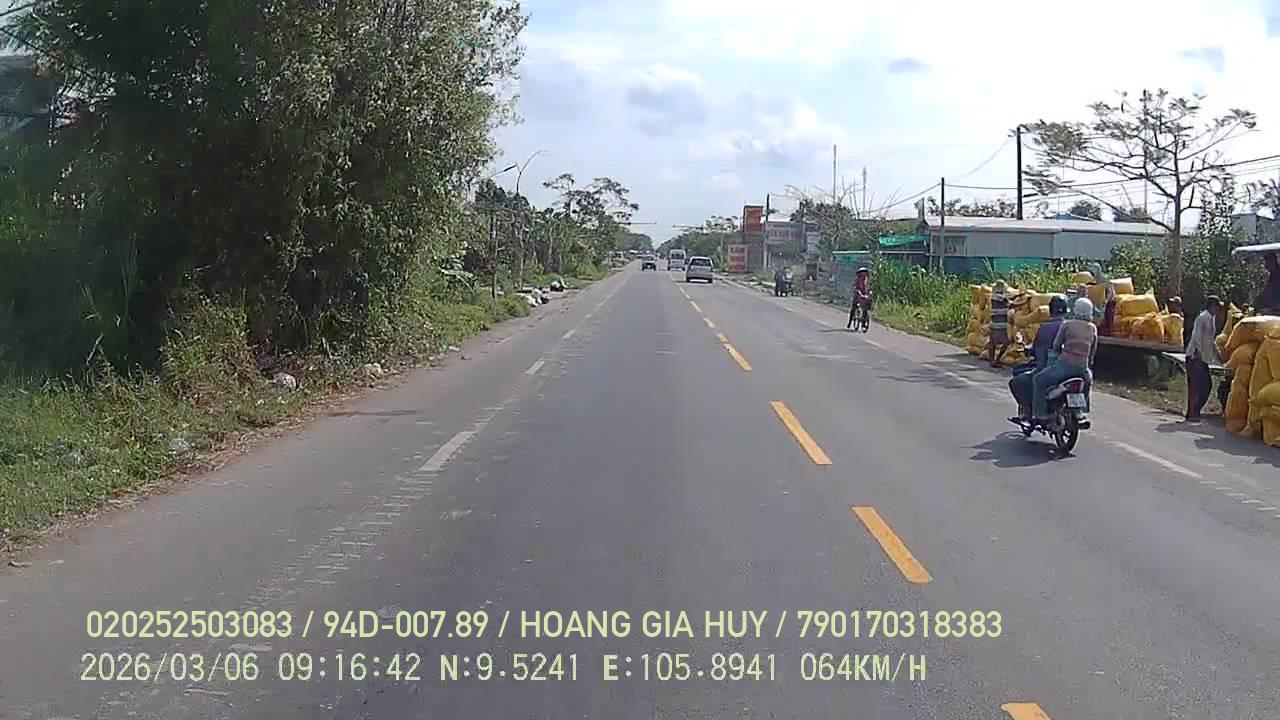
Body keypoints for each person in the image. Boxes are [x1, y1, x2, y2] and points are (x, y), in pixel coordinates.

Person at [1032, 297, 1099, 422]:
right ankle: (1080, 410)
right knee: (1088, 382)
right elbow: (1092, 351)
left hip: (1064, 366)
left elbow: (1056, 345)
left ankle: (1040, 413)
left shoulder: (1067, 324)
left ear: (1075, 310)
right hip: (1082, 369)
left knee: (1038, 380)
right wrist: (1087, 364)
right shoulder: (1092, 328)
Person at [1008, 295, 1069, 420]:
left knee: (1017, 382)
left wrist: (1028, 350)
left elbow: (1036, 349)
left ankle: (1032, 412)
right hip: (1068, 369)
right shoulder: (1070, 326)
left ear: (1050, 310)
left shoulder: (1045, 328)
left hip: (1046, 368)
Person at [1184, 295, 1224, 421]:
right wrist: (1199, 354)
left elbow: (1211, 341)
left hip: (1202, 358)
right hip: (1195, 356)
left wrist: (1219, 357)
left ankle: (1194, 412)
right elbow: (1196, 337)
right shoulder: (1202, 318)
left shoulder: (1211, 319)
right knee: (1198, 386)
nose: (1218, 310)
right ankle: (1192, 413)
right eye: (1217, 307)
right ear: (1212, 306)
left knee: (1205, 385)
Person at [986, 280, 1011, 367]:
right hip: (999, 324)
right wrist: (1023, 301)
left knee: (993, 342)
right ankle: (995, 360)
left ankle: (993, 360)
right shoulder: (998, 297)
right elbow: (1011, 304)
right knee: (1004, 342)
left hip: (996, 322)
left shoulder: (994, 296)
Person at [1089, 262, 1118, 335]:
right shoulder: (1096, 279)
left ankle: (1109, 333)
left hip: (1110, 300)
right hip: (1103, 301)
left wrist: (1106, 301)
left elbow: (1110, 291)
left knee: (1109, 318)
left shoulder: (1104, 278)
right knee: (1101, 317)